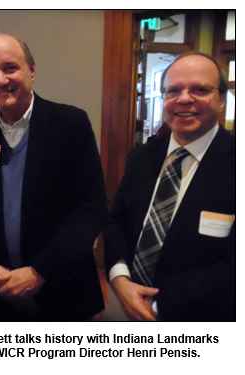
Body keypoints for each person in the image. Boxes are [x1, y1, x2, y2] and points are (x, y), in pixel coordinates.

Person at [0, 34, 107, 321]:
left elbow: (90, 208)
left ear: (32, 70)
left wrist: (41, 272)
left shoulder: (70, 124)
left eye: (10, 67)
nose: (0, 80)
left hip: (64, 288)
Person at [104, 52, 235, 321]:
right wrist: (120, 280)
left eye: (200, 89)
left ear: (222, 100)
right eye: (173, 90)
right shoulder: (141, 156)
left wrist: (157, 301)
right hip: (125, 306)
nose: (184, 98)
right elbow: (117, 221)